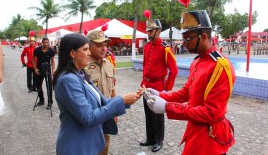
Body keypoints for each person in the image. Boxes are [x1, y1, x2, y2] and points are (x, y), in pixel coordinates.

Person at [143, 10, 236, 154]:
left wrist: (167, 107)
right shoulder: (198, 61)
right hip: (195, 128)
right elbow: (187, 92)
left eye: (187, 39)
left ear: (204, 36)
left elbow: (211, 113)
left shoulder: (220, 66)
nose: (184, 44)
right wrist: (161, 95)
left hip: (210, 138)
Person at [53, 33, 141, 155]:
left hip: (89, 142)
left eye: (88, 49)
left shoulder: (81, 74)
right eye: (85, 49)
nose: (89, 53)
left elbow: (102, 101)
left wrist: (125, 99)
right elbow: (88, 117)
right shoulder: (68, 80)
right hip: (77, 146)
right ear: (72, 53)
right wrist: (122, 101)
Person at [140, 18, 178, 152]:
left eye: (151, 31)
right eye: (148, 31)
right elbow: (145, 66)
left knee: (157, 115)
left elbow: (174, 70)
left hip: (158, 86)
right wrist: (143, 83)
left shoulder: (165, 48)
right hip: (147, 85)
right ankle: (150, 138)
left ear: (158, 31)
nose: (149, 33)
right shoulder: (146, 47)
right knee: (148, 113)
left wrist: (167, 88)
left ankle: (158, 140)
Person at [84, 29, 116, 155]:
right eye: (99, 45)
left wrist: (115, 111)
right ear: (89, 46)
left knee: (104, 147)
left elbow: (112, 89)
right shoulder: (82, 66)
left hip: (106, 114)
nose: (104, 48)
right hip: (89, 116)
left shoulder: (109, 64)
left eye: (105, 45)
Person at [32, 37, 55, 109]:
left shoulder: (51, 50)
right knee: (38, 86)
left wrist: (53, 70)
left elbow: (53, 61)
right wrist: (35, 69)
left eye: (47, 42)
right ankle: (41, 100)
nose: (46, 44)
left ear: (48, 42)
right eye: (44, 42)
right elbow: (33, 60)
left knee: (49, 86)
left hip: (47, 69)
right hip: (39, 69)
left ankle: (50, 102)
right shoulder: (37, 50)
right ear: (42, 42)